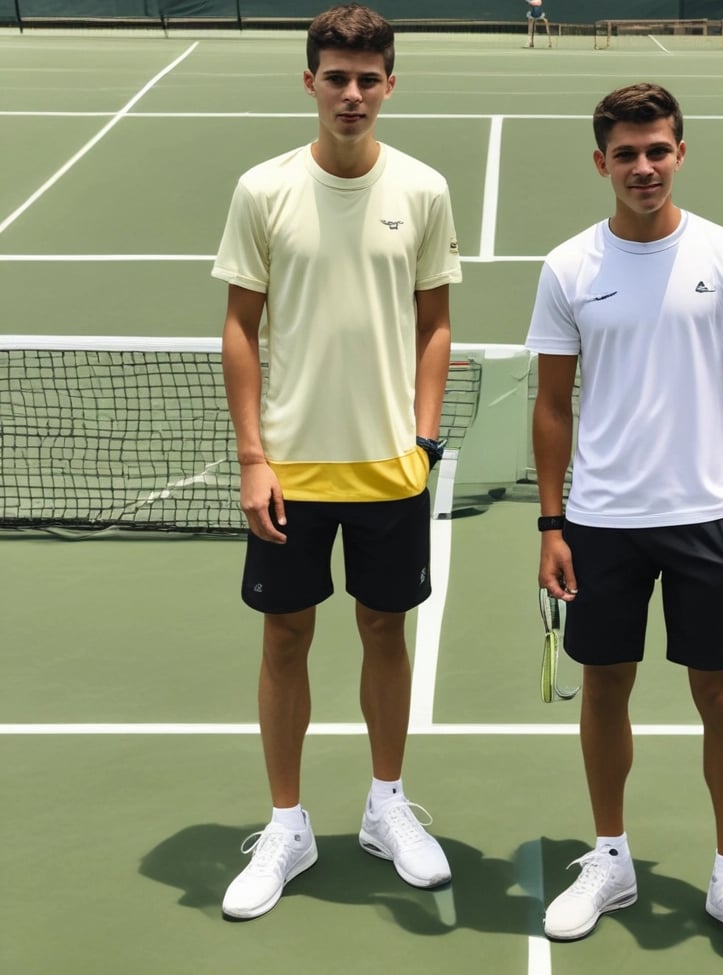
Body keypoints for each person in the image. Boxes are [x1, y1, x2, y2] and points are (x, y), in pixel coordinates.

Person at [525, 83, 723, 975]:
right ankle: (611, 859)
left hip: (708, 519)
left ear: (680, 153)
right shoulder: (567, 267)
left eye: (658, 150)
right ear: (601, 162)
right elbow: (552, 404)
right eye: (626, 153)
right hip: (601, 522)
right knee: (605, 690)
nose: (643, 166)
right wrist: (551, 521)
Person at [212, 3, 461, 920]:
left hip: (390, 466)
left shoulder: (424, 190)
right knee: (285, 638)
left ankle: (385, 803)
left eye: (367, 78)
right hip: (291, 467)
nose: (351, 94)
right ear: (309, 80)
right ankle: (288, 822)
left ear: (389, 83)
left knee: (386, 633)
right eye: (336, 77)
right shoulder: (263, 189)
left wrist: (425, 438)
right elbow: (240, 327)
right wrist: (252, 457)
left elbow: (437, 323)